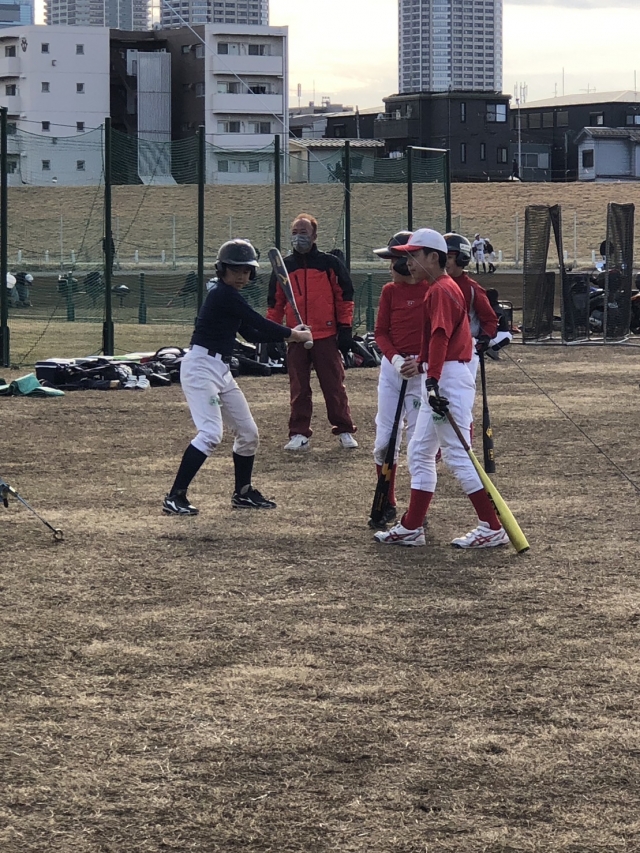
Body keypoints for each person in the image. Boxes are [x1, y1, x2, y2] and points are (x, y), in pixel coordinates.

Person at [374, 228, 509, 549]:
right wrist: (427, 370)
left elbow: (439, 336)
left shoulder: (441, 290)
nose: (408, 262)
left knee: (457, 455)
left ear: (433, 257)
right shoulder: (440, 288)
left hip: (447, 378)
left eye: (414, 255)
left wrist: (431, 379)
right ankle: (412, 526)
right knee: (419, 452)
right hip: (443, 375)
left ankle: (492, 526)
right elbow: (435, 340)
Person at [163, 239, 312, 516]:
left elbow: (251, 333)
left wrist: (290, 335)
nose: (241, 276)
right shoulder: (223, 294)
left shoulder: (231, 296)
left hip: (220, 369)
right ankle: (175, 496)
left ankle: (243, 493)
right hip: (200, 368)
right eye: (235, 270)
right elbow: (256, 321)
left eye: (246, 271)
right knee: (210, 434)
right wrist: (294, 334)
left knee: (248, 433)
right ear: (222, 270)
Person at [267, 213, 358, 451]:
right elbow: (275, 302)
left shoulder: (330, 264)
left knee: (334, 385)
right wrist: (273, 332)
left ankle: (344, 429)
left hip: (325, 335)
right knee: (299, 388)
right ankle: (299, 433)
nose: (298, 237)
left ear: (314, 236)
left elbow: (344, 297)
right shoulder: (284, 267)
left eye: (303, 232)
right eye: (295, 233)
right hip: (295, 335)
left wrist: (345, 327)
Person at [369, 230, 429, 528]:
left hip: (421, 371)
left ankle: (418, 509)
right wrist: (395, 359)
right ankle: (388, 501)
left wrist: (421, 362)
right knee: (385, 438)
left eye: (395, 261)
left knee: (420, 443)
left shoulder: (431, 290)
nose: (391, 267)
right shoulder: (389, 292)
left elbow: (439, 334)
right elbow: (381, 332)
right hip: (393, 369)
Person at [444, 233, 497, 376]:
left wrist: (484, 337)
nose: (445, 262)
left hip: (465, 349)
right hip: (438, 346)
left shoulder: (472, 288)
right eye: (443, 257)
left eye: (449, 257)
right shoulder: (432, 285)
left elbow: (490, 319)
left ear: (462, 258)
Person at [485, 287, 513, 359]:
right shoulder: (497, 309)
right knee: (508, 336)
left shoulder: (483, 307)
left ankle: (482, 350)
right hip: (486, 338)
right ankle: (493, 350)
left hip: (476, 337)